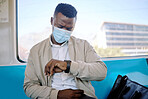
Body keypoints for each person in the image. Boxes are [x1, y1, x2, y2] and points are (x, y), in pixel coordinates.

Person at [23, 3, 107, 99]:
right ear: (52, 21)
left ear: (74, 26)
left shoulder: (83, 45)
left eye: (69, 29)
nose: (64, 31)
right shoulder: (36, 51)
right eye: (60, 26)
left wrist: (68, 66)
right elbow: (29, 87)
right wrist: (57, 95)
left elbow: (101, 72)